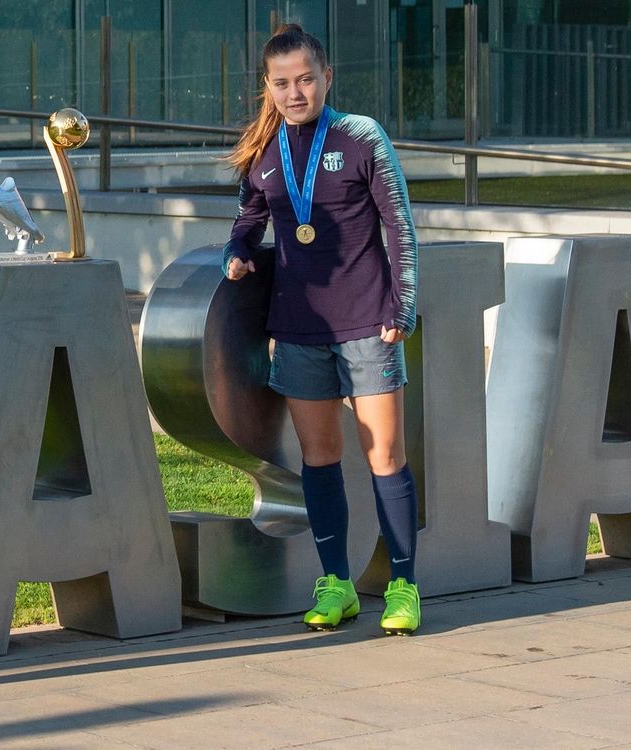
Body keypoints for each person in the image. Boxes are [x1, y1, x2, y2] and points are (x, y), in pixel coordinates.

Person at [223, 24, 421, 635]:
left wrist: (402, 305)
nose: (295, 92)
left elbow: (400, 227)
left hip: (369, 325)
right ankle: (336, 581)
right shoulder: (264, 151)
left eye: (305, 79)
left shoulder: (361, 137)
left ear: (326, 77)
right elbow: (249, 216)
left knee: (384, 456)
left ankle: (404, 586)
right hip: (300, 328)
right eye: (281, 83)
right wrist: (239, 249)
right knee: (319, 457)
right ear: (268, 87)